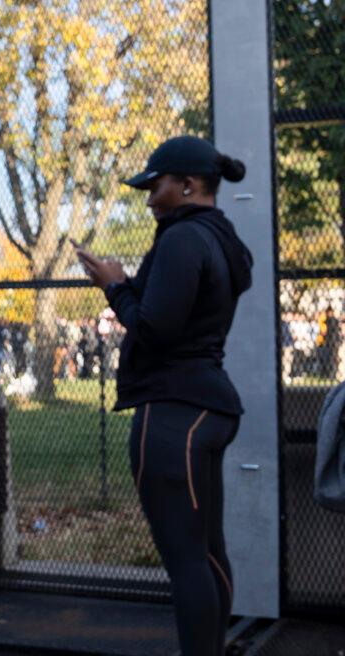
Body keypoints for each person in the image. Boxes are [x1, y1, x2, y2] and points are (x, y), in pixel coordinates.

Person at [75, 135, 251, 656]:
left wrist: (113, 285)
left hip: (176, 412)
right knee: (207, 552)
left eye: (157, 185)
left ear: (188, 185)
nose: (149, 197)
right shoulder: (221, 237)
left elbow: (153, 329)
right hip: (208, 407)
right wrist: (125, 283)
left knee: (186, 559)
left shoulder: (182, 239)